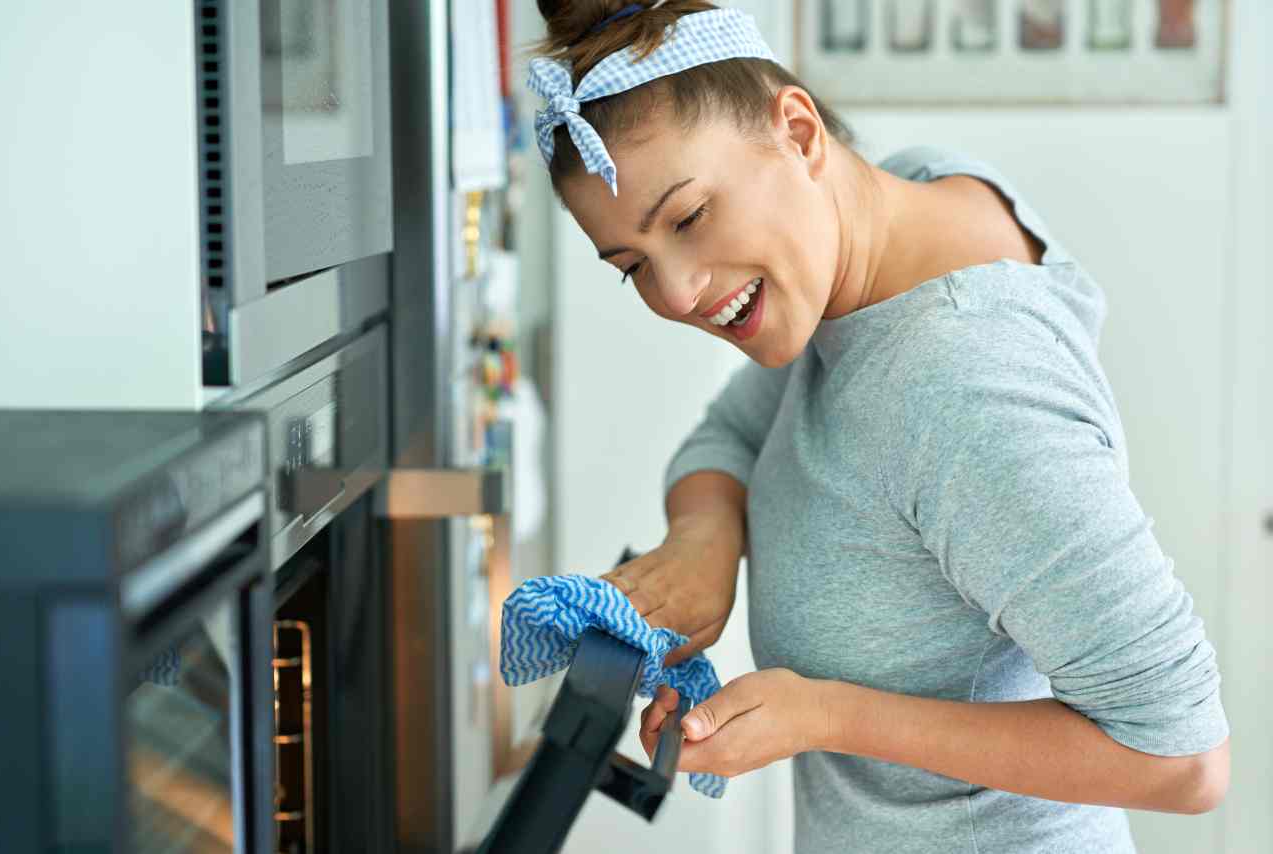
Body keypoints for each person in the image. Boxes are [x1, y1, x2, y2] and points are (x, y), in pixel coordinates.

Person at [526, 2, 1231, 851]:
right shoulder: (901, 207)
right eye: (633, 266)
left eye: (688, 218)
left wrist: (824, 714)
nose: (676, 295)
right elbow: (730, 437)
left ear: (799, 132)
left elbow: (1181, 756)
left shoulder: (967, 387)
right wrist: (703, 547)